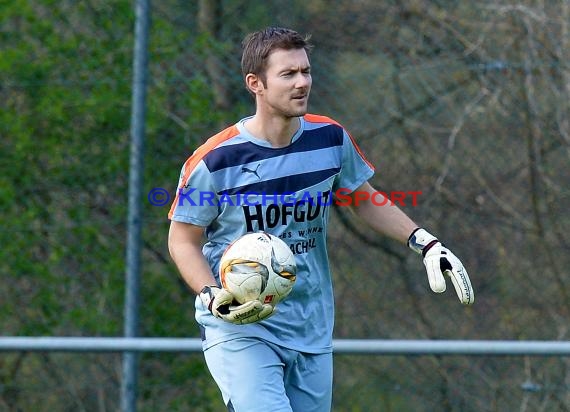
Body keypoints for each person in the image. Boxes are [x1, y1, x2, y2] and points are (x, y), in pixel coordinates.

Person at [168, 26, 474, 412]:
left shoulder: (329, 139)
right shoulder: (215, 161)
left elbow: (363, 199)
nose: (302, 83)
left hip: (310, 323)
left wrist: (425, 242)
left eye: (306, 71)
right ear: (255, 84)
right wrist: (211, 296)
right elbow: (182, 241)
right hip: (241, 326)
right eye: (288, 74)